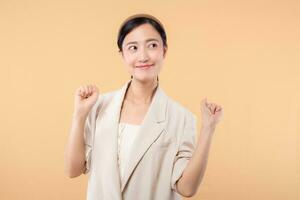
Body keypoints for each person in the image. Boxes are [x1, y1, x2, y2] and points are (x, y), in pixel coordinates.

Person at [65, 13, 223, 200]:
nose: (143, 56)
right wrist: (79, 115)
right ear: (122, 55)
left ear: (164, 51)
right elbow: (73, 170)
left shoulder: (181, 118)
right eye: (133, 48)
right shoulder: (98, 106)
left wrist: (208, 128)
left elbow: (187, 189)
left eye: (152, 45)